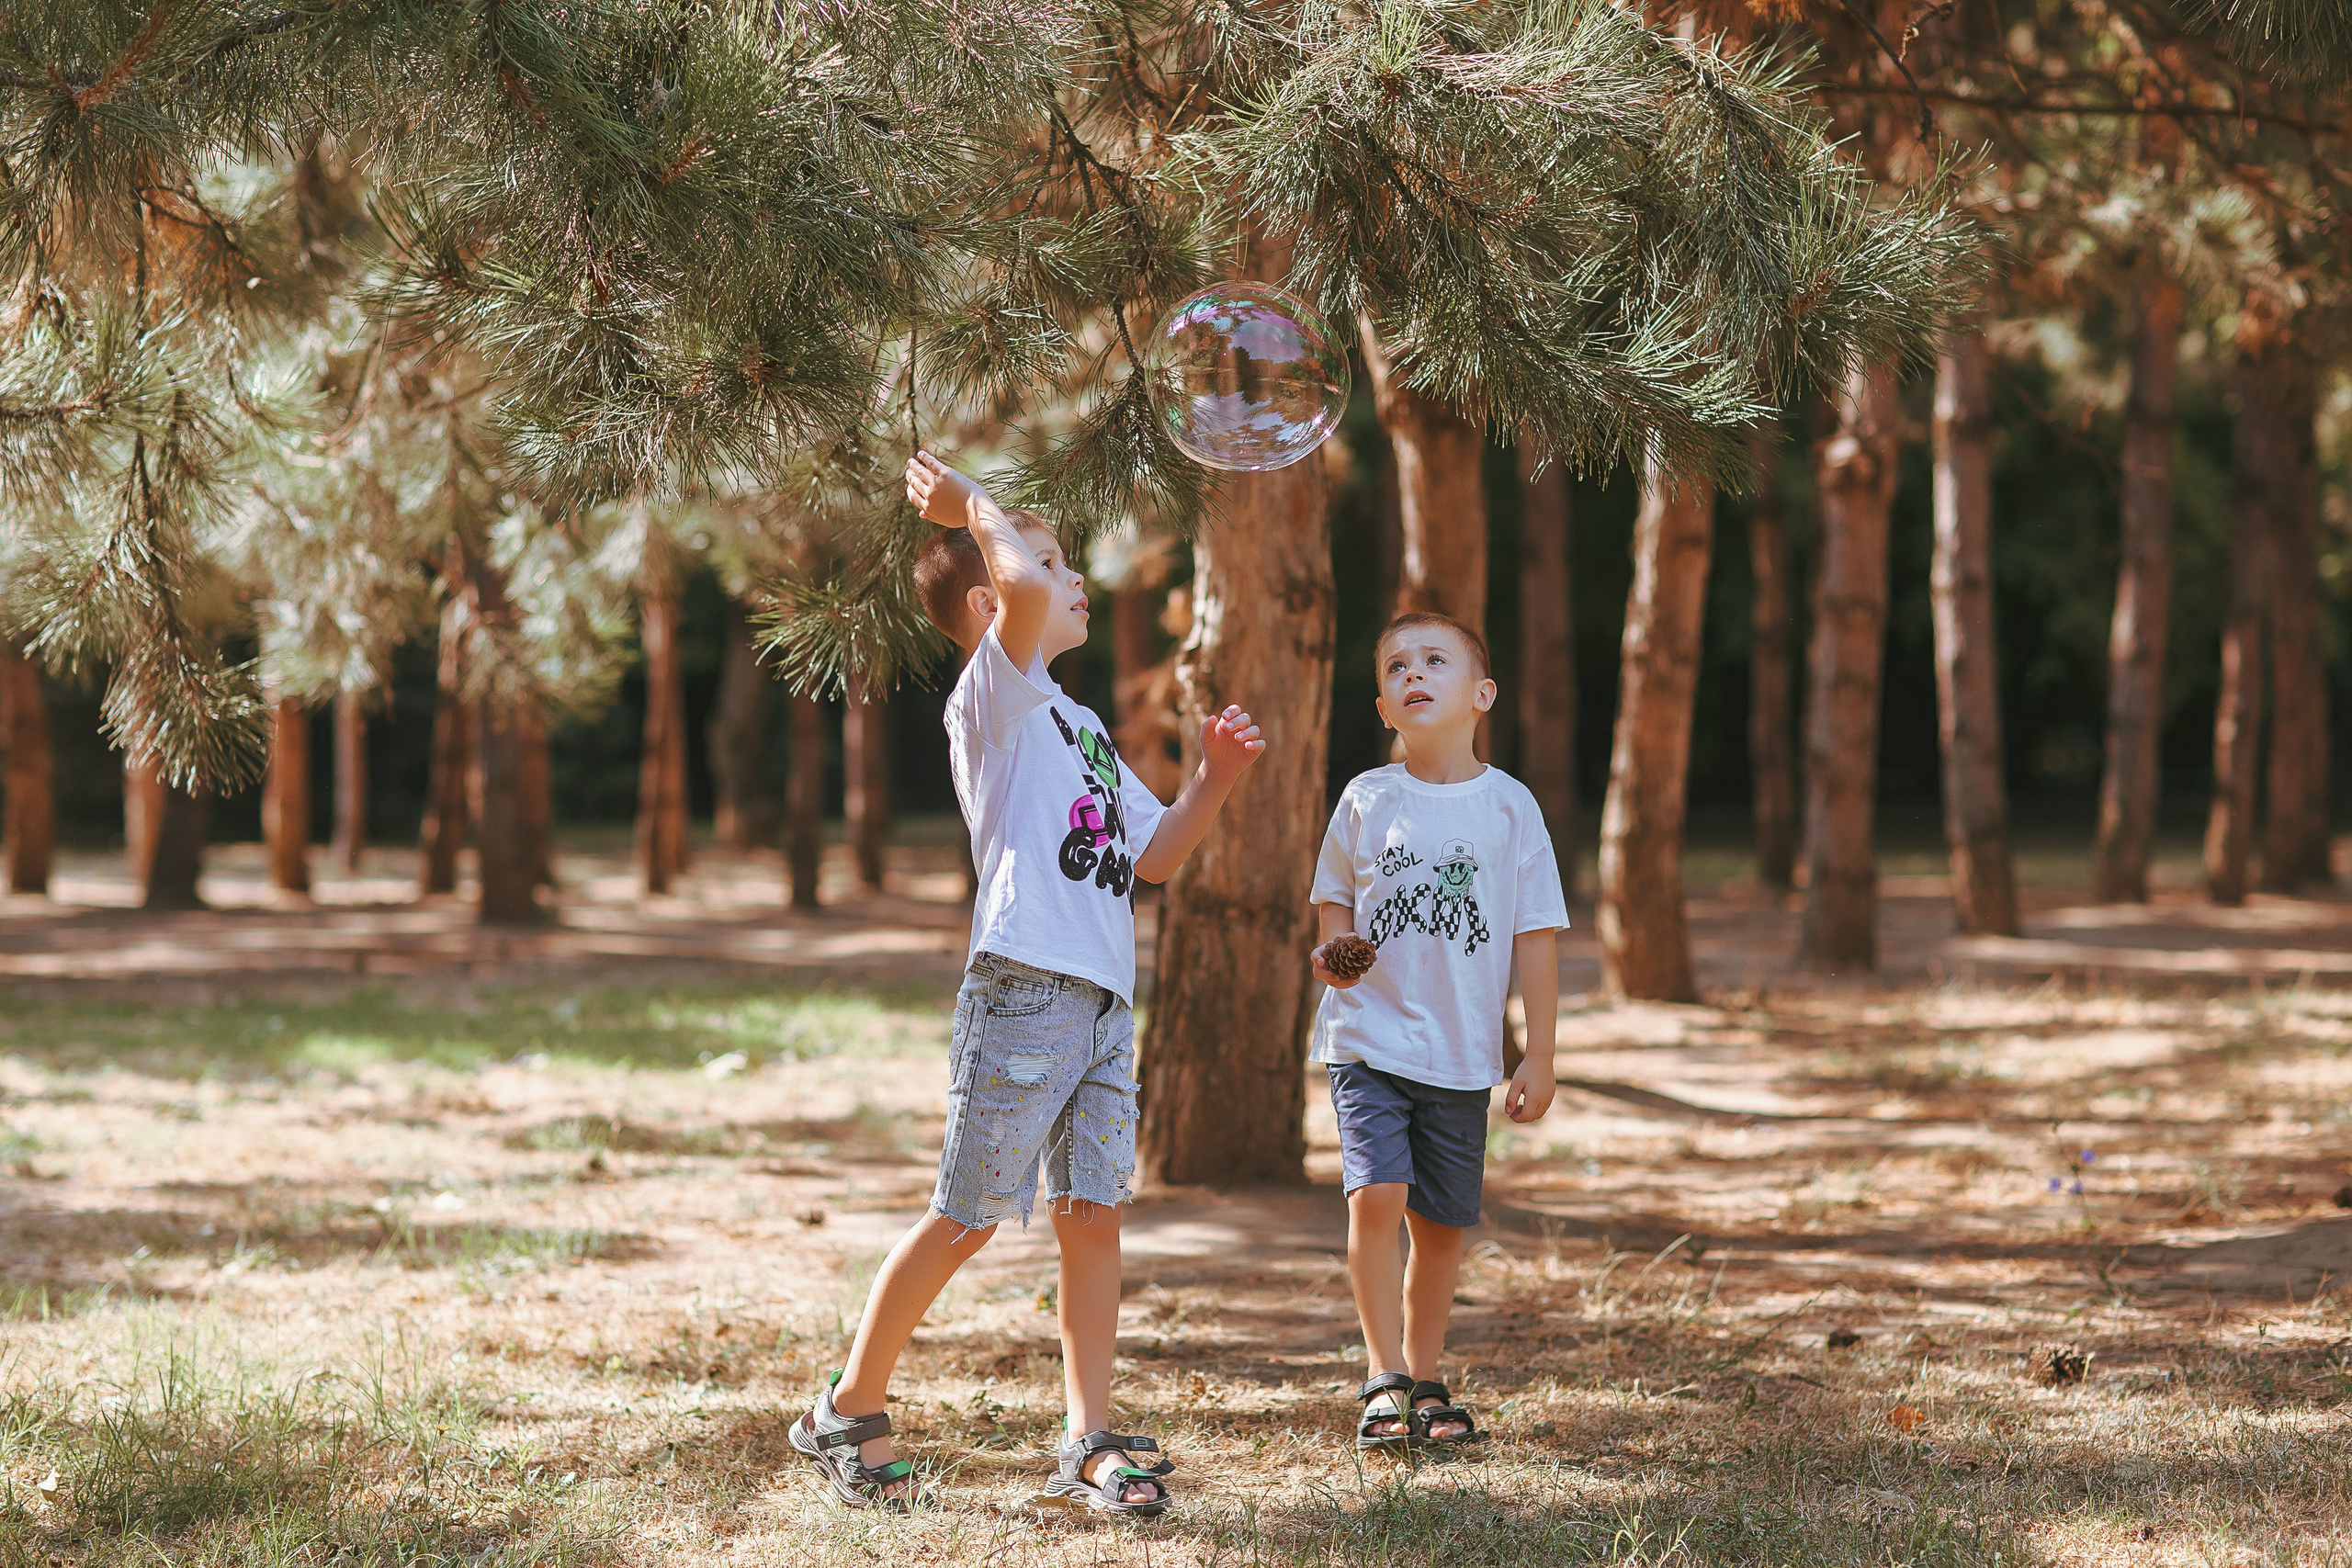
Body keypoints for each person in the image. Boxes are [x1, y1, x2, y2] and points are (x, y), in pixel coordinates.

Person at [789, 450, 1266, 1515]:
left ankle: (1086, 1438)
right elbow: (1019, 582)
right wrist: (974, 508)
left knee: (1092, 1216)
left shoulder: (1077, 725)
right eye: (1051, 563)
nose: (1073, 578)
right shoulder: (992, 700)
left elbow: (1155, 857)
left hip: (1101, 1002)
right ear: (990, 602)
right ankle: (846, 1410)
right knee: (966, 1214)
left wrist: (1213, 781)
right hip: (1024, 989)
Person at [1307, 610, 1566, 1453]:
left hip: (1461, 1052)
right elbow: (1334, 900)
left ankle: (1423, 1378)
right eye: (1396, 667)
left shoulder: (1511, 807)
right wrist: (1336, 950)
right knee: (1377, 1192)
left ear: (1482, 695)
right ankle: (1382, 1373)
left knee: (1442, 1225)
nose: (1412, 673)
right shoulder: (1366, 797)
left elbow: (1535, 935)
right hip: (1369, 1038)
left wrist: (1539, 1052)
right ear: (1385, 708)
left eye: (1433, 660)